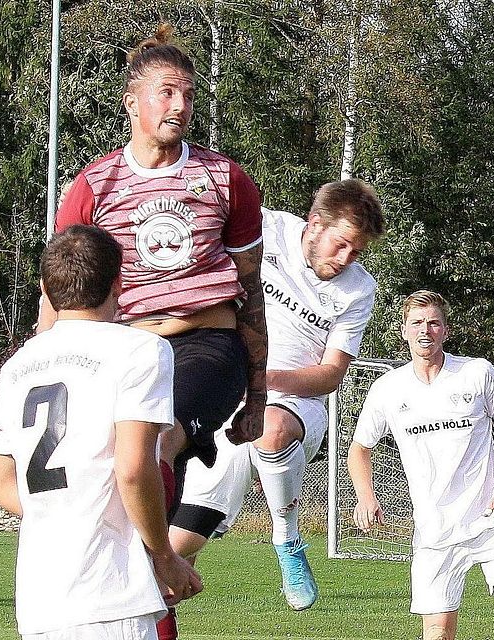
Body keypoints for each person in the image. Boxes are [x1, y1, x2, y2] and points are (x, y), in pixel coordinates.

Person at [37, 26, 267, 638]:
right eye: (166, 93)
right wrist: (40, 363)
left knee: (156, 443)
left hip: (205, 345)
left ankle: (152, 571)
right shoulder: (93, 185)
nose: (179, 107)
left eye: (188, 95)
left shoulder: (226, 180)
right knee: (107, 476)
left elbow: (252, 293)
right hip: (124, 348)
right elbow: (57, 292)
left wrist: (258, 391)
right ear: (132, 99)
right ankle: (145, 594)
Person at [173, 178, 386, 610]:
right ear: (314, 223)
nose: (346, 259)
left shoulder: (358, 289)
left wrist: (262, 380)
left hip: (294, 404)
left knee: (269, 430)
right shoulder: (266, 231)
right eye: (341, 244)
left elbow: (329, 375)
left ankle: (287, 539)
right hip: (224, 402)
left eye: (357, 252)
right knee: (169, 560)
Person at [0, 225, 202, 640]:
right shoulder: (140, 350)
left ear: (46, 290)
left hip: (40, 599)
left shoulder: (17, 366)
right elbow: (135, 467)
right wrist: (163, 556)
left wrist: (69, 511)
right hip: (111, 592)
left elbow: (4, 483)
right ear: (120, 282)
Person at [347, 290, 494, 640]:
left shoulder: (476, 372)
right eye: (418, 323)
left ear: (446, 331)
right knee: (438, 635)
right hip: (434, 532)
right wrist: (366, 496)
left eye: (434, 323)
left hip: (491, 522)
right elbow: (359, 449)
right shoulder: (387, 390)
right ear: (404, 330)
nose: (426, 330)